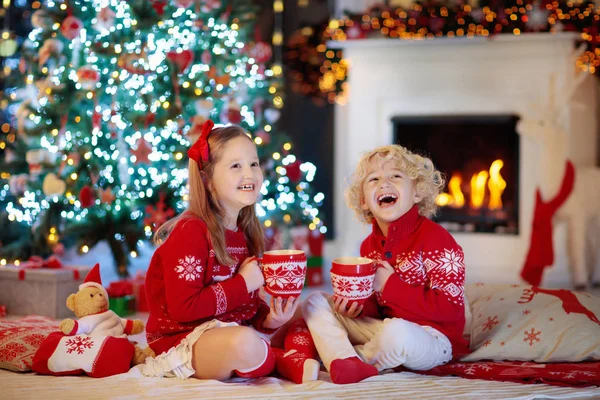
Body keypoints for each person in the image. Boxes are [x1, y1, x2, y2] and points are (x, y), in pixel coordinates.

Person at [142, 120, 302, 380]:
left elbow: (244, 307)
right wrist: (243, 283)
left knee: (308, 309)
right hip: (185, 340)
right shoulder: (191, 231)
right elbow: (184, 308)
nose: (249, 173)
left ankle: (277, 351)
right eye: (236, 166)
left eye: (253, 164)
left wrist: (269, 319)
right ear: (207, 180)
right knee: (244, 342)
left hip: (228, 329)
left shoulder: (245, 232)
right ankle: (283, 359)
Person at [302, 144, 470, 384]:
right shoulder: (368, 246)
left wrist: (389, 285)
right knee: (314, 302)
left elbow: (451, 309)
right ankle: (344, 360)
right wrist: (358, 308)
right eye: (374, 179)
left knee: (396, 332)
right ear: (363, 201)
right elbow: (378, 308)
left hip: (433, 338)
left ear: (417, 193)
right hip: (384, 327)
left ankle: (350, 359)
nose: (384, 183)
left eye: (395, 176)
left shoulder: (437, 239)